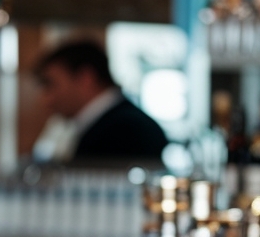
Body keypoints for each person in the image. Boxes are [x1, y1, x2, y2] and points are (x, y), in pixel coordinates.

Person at [33, 38, 168, 163]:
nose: (46, 99)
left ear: (86, 78)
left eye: (51, 84)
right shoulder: (118, 123)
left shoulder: (126, 130)